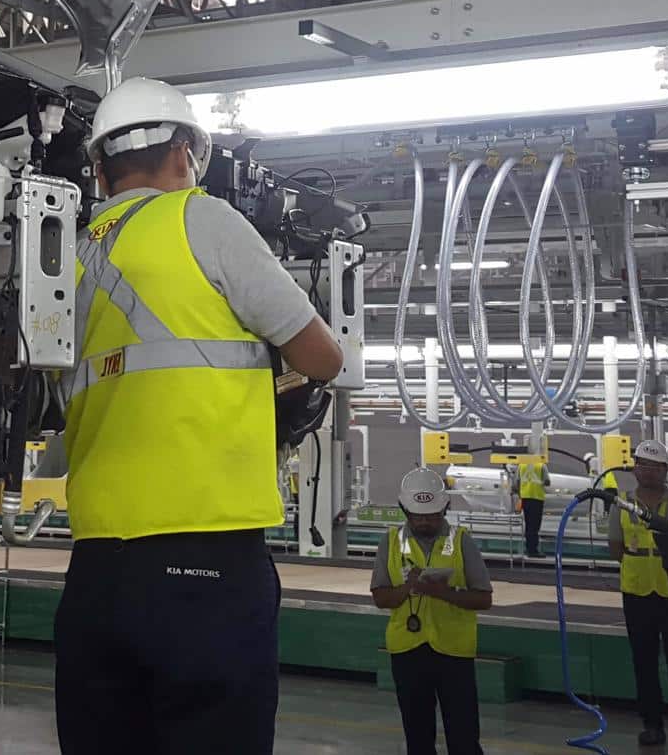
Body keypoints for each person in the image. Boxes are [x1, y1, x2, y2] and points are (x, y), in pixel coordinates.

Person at [55, 77, 345, 755]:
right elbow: (323, 357)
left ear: (98, 170)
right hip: (203, 558)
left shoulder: (64, 255)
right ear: (188, 150)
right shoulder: (202, 218)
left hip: (95, 569)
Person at [371, 469, 493, 755]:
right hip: (408, 650)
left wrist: (444, 594)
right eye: (418, 515)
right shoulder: (389, 543)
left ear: (444, 508)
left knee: (463, 736)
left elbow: (484, 598)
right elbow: (380, 596)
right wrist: (408, 589)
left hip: (454, 652)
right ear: (405, 510)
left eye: (432, 515)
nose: (425, 521)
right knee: (418, 736)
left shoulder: (462, 541)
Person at [608, 439, 668, 754]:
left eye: (653, 466)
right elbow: (616, 547)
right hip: (637, 592)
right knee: (644, 662)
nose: (646, 470)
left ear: (665, 470)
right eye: (641, 464)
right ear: (634, 467)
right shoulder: (621, 502)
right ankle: (652, 725)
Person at [518, 451, 549, 559]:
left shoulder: (521, 465)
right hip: (537, 498)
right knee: (535, 526)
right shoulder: (541, 465)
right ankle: (533, 551)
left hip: (525, 498)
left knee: (528, 525)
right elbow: (547, 481)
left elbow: (516, 482)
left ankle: (528, 548)